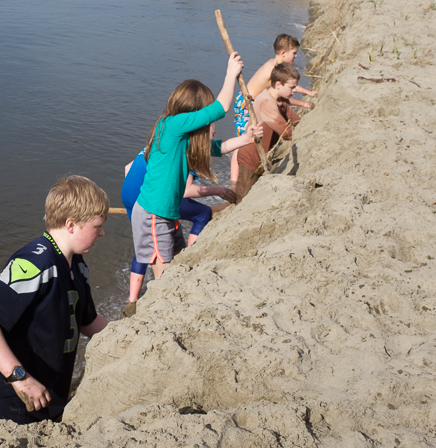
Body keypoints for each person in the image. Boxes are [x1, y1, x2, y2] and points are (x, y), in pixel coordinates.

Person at [0, 175, 110, 425]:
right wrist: (20, 378)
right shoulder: (35, 264)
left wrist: (128, 334)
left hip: (49, 390)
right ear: (71, 224)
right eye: (97, 227)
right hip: (10, 397)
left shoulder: (77, 263)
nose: (102, 233)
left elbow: (86, 321)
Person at [119, 122, 261, 316]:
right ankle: (185, 261)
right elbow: (185, 191)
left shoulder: (161, 143)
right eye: (212, 135)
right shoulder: (187, 154)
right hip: (151, 200)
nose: (213, 140)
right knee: (201, 214)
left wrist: (245, 138)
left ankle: (132, 300)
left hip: (131, 195)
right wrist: (218, 190)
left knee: (146, 244)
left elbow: (128, 168)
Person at [131, 52, 244, 286]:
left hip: (166, 212)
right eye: (202, 114)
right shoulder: (173, 125)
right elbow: (220, 107)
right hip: (153, 213)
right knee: (164, 277)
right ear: (193, 112)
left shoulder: (180, 135)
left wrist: (248, 139)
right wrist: (230, 74)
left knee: (178, 263)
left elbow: (216, 148)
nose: (206, 121)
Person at [231, 34, 316, 180]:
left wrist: (308, 93)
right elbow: (283, 91)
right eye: (294, 53)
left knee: (250, 137)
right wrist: (303, 102)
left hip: (253, 101)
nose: (295, 56)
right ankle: (234, 179)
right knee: (243, 141)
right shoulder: (272, 69)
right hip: (246, 104)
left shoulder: (276, 66)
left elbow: (289, 86)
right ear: (284, 53)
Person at [235, 62, 303, 201]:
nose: (295, 90)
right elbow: (286, 132)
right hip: (250, 157)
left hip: (263, 155)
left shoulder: (282, 100)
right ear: (278, 85)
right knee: (241, 200)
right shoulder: (266, 101)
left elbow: (296, 122)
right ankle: (210, 214)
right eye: (292, 87)